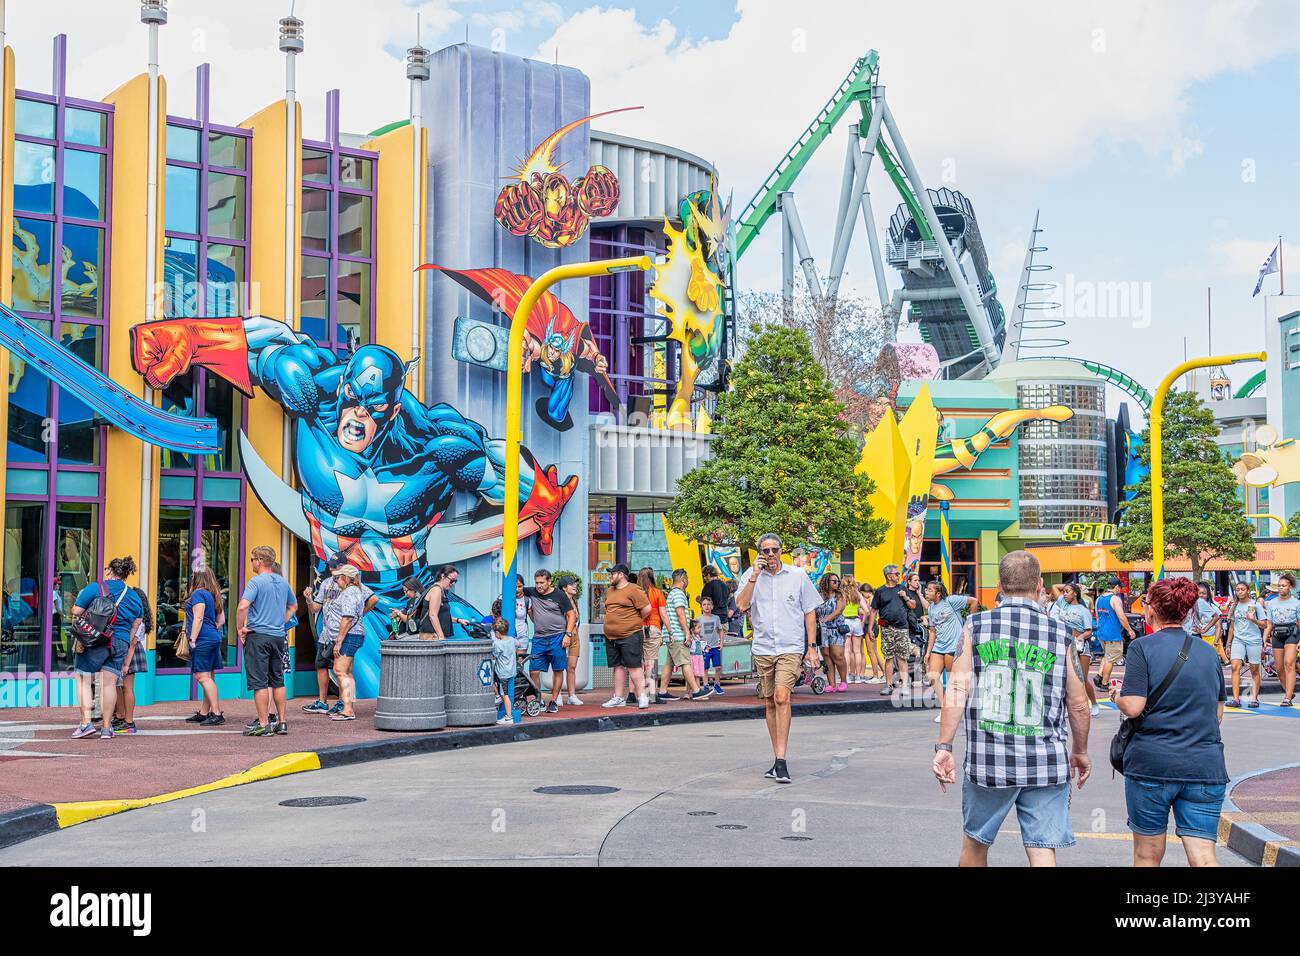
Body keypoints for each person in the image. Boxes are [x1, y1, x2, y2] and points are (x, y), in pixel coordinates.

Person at [933, 551, 1092, 867]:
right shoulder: (1061, 634)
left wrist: (944, 746)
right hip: (1046, 762)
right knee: (1042, 848)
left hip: (989, 762)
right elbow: (1078, 704)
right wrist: (1081, 750)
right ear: (1039, 586)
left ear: (1000, 586)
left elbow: (958, 690)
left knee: (976, 844)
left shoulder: (975, 626)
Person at [1111, 577, 1227, 867]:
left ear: (1152, 610)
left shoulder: (1142, 648)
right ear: (1187, 611)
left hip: (1153, 764)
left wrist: (1117, 697)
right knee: (1203, 855)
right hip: (1204, 766)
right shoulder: (1208, 652)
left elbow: (1134, 706)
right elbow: (1218, 714)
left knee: (1148, 854)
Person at [735, 533, 822, 784]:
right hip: (763, 648)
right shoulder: (750, 577)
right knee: (770, 703)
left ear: (781, 551)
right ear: (759, 553)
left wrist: (812, 646)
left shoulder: (798, 576)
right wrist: (753, 576)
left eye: (775, 550)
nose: (771, 555)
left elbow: (810, 612)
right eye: (766, 551)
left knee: (782, 697)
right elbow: (741, 606)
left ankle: (782, 761)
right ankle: (776, 757)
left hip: (790, 646)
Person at [70, 556, 144, 740]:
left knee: (83, 679)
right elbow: (137, 624)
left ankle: (86, 723)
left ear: (110, 571)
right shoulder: (135, 596)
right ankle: (106, 728)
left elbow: (76, 611)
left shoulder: (97, 587)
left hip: (96, 640)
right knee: (110, 683)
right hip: (120, 642)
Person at [302, 554, 378, 715]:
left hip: (344, 632)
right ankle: (328, 703)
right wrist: (309, 599)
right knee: (327, 665)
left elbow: (367, 603)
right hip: (328, 633)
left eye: (335, 567)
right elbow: (316, 608)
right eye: (330, 566)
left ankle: (346, 706)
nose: (331, 569)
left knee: (341, 670)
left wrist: (360, 614)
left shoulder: (353, 588)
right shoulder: (327, 583)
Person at [236, 545, 299, 737]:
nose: (252, 564)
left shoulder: (256, 582)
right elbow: (294, 606)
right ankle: (282, 722)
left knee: (260, 682)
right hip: (278, 636)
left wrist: (240, 628)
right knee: (278, 680)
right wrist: (281, 620)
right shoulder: (282, 582)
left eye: (252, 560)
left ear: (259, 561)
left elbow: (242, 607)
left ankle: (263, 723)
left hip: (258, 635)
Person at [922, 581, 977, 723]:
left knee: (955, 680)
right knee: (933, 676)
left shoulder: (951, 600)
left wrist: (969, 624)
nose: (926, 592)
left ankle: (961, 710)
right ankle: (945, 708)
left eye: (929, 590)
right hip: (939, 646)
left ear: (938, 593)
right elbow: (932, 632)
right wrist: (928, 652)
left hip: (954, 645)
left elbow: (973, 601)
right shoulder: (931, 608)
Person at [525, 569, 578, 713]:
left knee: (558, 670)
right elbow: (516, 589)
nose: (539, 586)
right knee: (534, 671)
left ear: (549, 582)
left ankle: (554, 701)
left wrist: (567, 635)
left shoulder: (559, 595)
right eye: (537, 583)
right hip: (539, 638)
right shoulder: (531, 592)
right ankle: (539, 700)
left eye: (542, 582)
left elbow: (571, 615)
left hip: (557, 637)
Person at [599, 563, 651, 709]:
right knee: (617, 666)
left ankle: (642, 696)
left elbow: (646, 609)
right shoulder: (610, 590)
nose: (611, 576)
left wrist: (632, 621)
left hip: (630, 634)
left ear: (621, 575)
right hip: (611, 636)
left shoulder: (634, 589)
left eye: (613, 574)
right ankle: (618, 697)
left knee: (634, 666)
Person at [660, 569, 712, 702]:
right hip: (678, 634)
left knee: (669, 664)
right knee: (685, 662)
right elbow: (680, 614)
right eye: (687, 578)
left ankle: (662, 690)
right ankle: (696, 691)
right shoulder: (678, 594)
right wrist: (687, 633)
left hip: (670, 634)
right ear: (683, 580)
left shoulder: (672, 593)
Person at [182, 567, 226, 726]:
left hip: (202, 638)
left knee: (201, 676)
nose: (191, 576)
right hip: (213, 637)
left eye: (193, 574)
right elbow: (221, 621)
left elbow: (198, 617)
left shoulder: (198, 594)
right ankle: (204, 712)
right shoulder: (214, 595)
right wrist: (210, 628)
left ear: (198, 577)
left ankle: (216, 713)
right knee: (209, 676)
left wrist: (193, 638)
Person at [327, 565, 367, 721]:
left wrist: (338, 642)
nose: (337, 580)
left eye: (339, 577)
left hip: (349, 635)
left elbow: (347, 617)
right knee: (347, 672)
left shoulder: (350, 593)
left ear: (345, 578)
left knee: (340, 671)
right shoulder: (356, 591)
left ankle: (348, 710)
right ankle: (347, 706)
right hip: (354, 635)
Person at [112, 583, 153, 735]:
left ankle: (129, 722)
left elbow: (133, 643)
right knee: (118, 686)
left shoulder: (139, 621)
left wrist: (126, 663)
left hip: (131, 653)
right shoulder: (137, 616)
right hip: (128, 651)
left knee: (127, 687)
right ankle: (121, 716)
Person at [872, 564, 917, 694]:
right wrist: (870, 628)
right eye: (896, 574)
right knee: (889, 657)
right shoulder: (880, 591)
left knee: (902, 657)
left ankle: (904, 686)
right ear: (889, 576)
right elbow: (874, 610)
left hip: (902, 628)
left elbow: (913, 605)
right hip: (886, 628)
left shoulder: (902, 589)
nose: (898, 576)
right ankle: (889, 685)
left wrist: (905, 596)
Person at [1058, 582, 1100, 717]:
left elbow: (1089, 631)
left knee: (1082, 678)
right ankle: (1067, 707)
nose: (1064, 594)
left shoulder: (1083, 610)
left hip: (1080, 647)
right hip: (1065, 645)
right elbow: (1054, 587)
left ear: (1075, 593)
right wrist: (1072, 584)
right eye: (1063, 591)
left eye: (1068, 591)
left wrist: (1081, 637)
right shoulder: (1063, 604)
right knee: (1065, 678)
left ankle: (1093, 703)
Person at [1226, 580, 1265, 708]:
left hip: (1254, 640)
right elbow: (1232, 627)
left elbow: (1265, 624)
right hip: (1238, 639)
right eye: (1237, 590)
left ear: (1248, 590)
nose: (1240, 592)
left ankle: (1255, 698)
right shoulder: (1234, 606)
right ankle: (1236, 699)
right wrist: (1228, 644)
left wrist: (1253, 619)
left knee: (1254, 669)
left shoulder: (1256, 605)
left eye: (1242, 589)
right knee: (1234, 667)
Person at [1095, 576, 1137, 691]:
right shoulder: (1115, 599)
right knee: (1110, 659)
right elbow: (1121, 617)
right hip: (1112, 634)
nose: (1120, 590)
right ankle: (1104, 683)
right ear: (1117, 587)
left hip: (1101, 633)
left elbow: (1098, 617)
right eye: (1120, 588)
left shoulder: (1099, 599)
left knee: (1107, 655)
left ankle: (1099, 675)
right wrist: (1130, 630)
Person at [1264, 571, 1299, 706]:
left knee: (1289, 663)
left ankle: (1287, 697)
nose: (1281, 588)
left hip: (1292, 633)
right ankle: (1288, 691)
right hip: (1277, 633)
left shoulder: (1296, 603)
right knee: (1278, 668)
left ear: (1289, 586)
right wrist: (1264, 639)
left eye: (1284, 586)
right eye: (1279, 586)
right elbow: (1269, 624)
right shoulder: (1272, 603)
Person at [815, 573, 848, 692]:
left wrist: (826, 619)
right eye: (834, 581)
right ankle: (832, 684)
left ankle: (844, 681)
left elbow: (839, 610)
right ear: (826, 582)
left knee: (837, 655)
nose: (837, 583)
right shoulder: (818, 596)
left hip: (836, 629)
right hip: (822, 630)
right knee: (827, 656)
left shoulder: (839, 595)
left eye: (838, 581)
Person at [638, 567, 667, 699]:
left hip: (638, 629)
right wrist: (670, 632)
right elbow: (663, 615)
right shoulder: (657, 592)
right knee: (651, 662)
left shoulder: (636, 592)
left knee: (641, 662)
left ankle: (640, 694)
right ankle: (651, 695)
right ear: (652, 577)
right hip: (653, 628)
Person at [1184, 581, 1227, 664]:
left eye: (1204, 593)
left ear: (1208, 594)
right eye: (1198, 593)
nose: (1201, 595)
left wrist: (1214, 638)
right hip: (1190, 635)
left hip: (1208, 637)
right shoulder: (1192, 602)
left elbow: (1217, 623)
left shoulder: (1204, 604)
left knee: (1205, 661)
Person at [557, 574, 584, 705]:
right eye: (571, 584)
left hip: (575, 635)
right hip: (563, 635)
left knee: (572, 667)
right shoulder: (559, 601)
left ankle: (572, 695)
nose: (575, 586)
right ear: (563, 587)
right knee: (559, 667)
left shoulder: (575, 600)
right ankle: (557, 695)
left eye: (575, 583)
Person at [695, 594, 725, 695]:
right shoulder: (699, 619)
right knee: (705, 668)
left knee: (718, 667)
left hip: (715, 646)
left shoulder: (716, 618)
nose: (706, 606)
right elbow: (696, 632)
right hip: (704, 648)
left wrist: (721, 642)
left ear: (712, 606)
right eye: (704, 604)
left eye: (708, 604)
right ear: (701, 606)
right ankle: (706, 685)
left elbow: (720, 630)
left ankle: (717, 684)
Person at [491, 617, 517, 725]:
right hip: (511, 671)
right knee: (504, 691)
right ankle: (498, 697)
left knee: (504, 694)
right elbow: (518, 643)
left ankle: (508, 717)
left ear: (497, 632)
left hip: (502, 673)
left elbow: (494, 655)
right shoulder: (511, 640)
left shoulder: (498, 644)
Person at [841, 577, 866, 684]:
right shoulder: (858, 594)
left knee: (846, 651)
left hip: (845, 622)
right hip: (856, 621)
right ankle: (859, 676)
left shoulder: (842, 595)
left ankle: (846, 676)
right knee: (857, 652)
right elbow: (867, 610)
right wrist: (862, 622)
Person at [859, 583, 885, 683]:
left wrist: (860, 610)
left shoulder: (872, 599)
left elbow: (869, 612)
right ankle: (885, 673)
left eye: (862, 594)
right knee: (875, 652)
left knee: (871, 652)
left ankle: (875, 676)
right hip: (872, 625)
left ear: (866, 592)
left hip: (871, 626)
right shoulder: (872, 598)